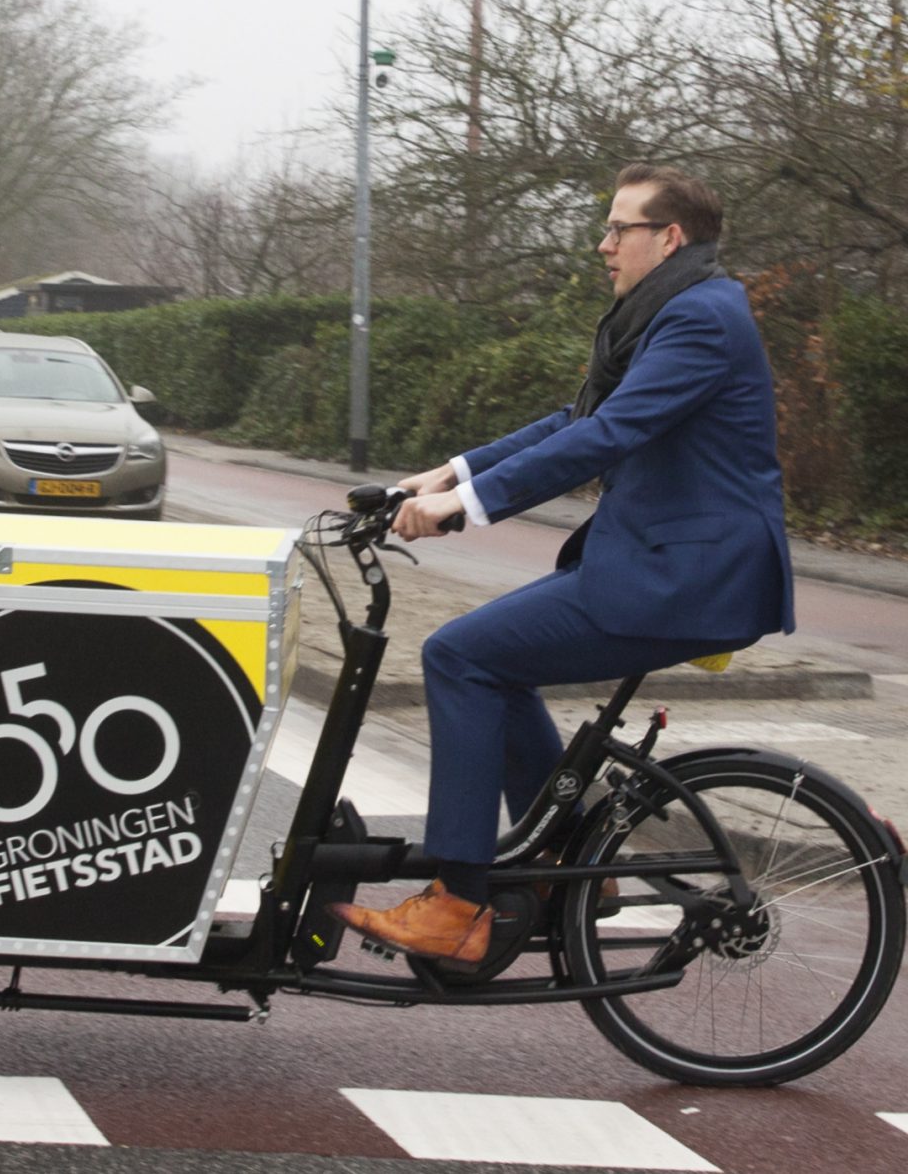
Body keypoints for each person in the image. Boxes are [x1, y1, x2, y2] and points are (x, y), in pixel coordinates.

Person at [332, 164, 792, 962]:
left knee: (461, 657)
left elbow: (606, 437)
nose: (603, 244)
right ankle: (566, 859)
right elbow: (577, 419)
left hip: (686, 578)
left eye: (621, 228)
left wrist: (465, 512)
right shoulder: (662, 313)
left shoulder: (701, 319)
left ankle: (460, 904)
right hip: (659, 564)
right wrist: (454, 473)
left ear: (669, 237)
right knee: (491, 662)